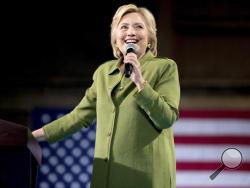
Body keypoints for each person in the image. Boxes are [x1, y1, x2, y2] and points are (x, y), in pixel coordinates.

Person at [32, 3, 180, 188]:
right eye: (124, 27)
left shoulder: (164, 68)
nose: (131, 32)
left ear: (149, 38)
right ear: (116, 38)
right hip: (106, 177)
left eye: (139, 26)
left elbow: (167, 118)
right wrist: (30, 137)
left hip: (146, 179)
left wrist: (140, 82)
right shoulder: (103, 73)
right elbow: (77, 117)